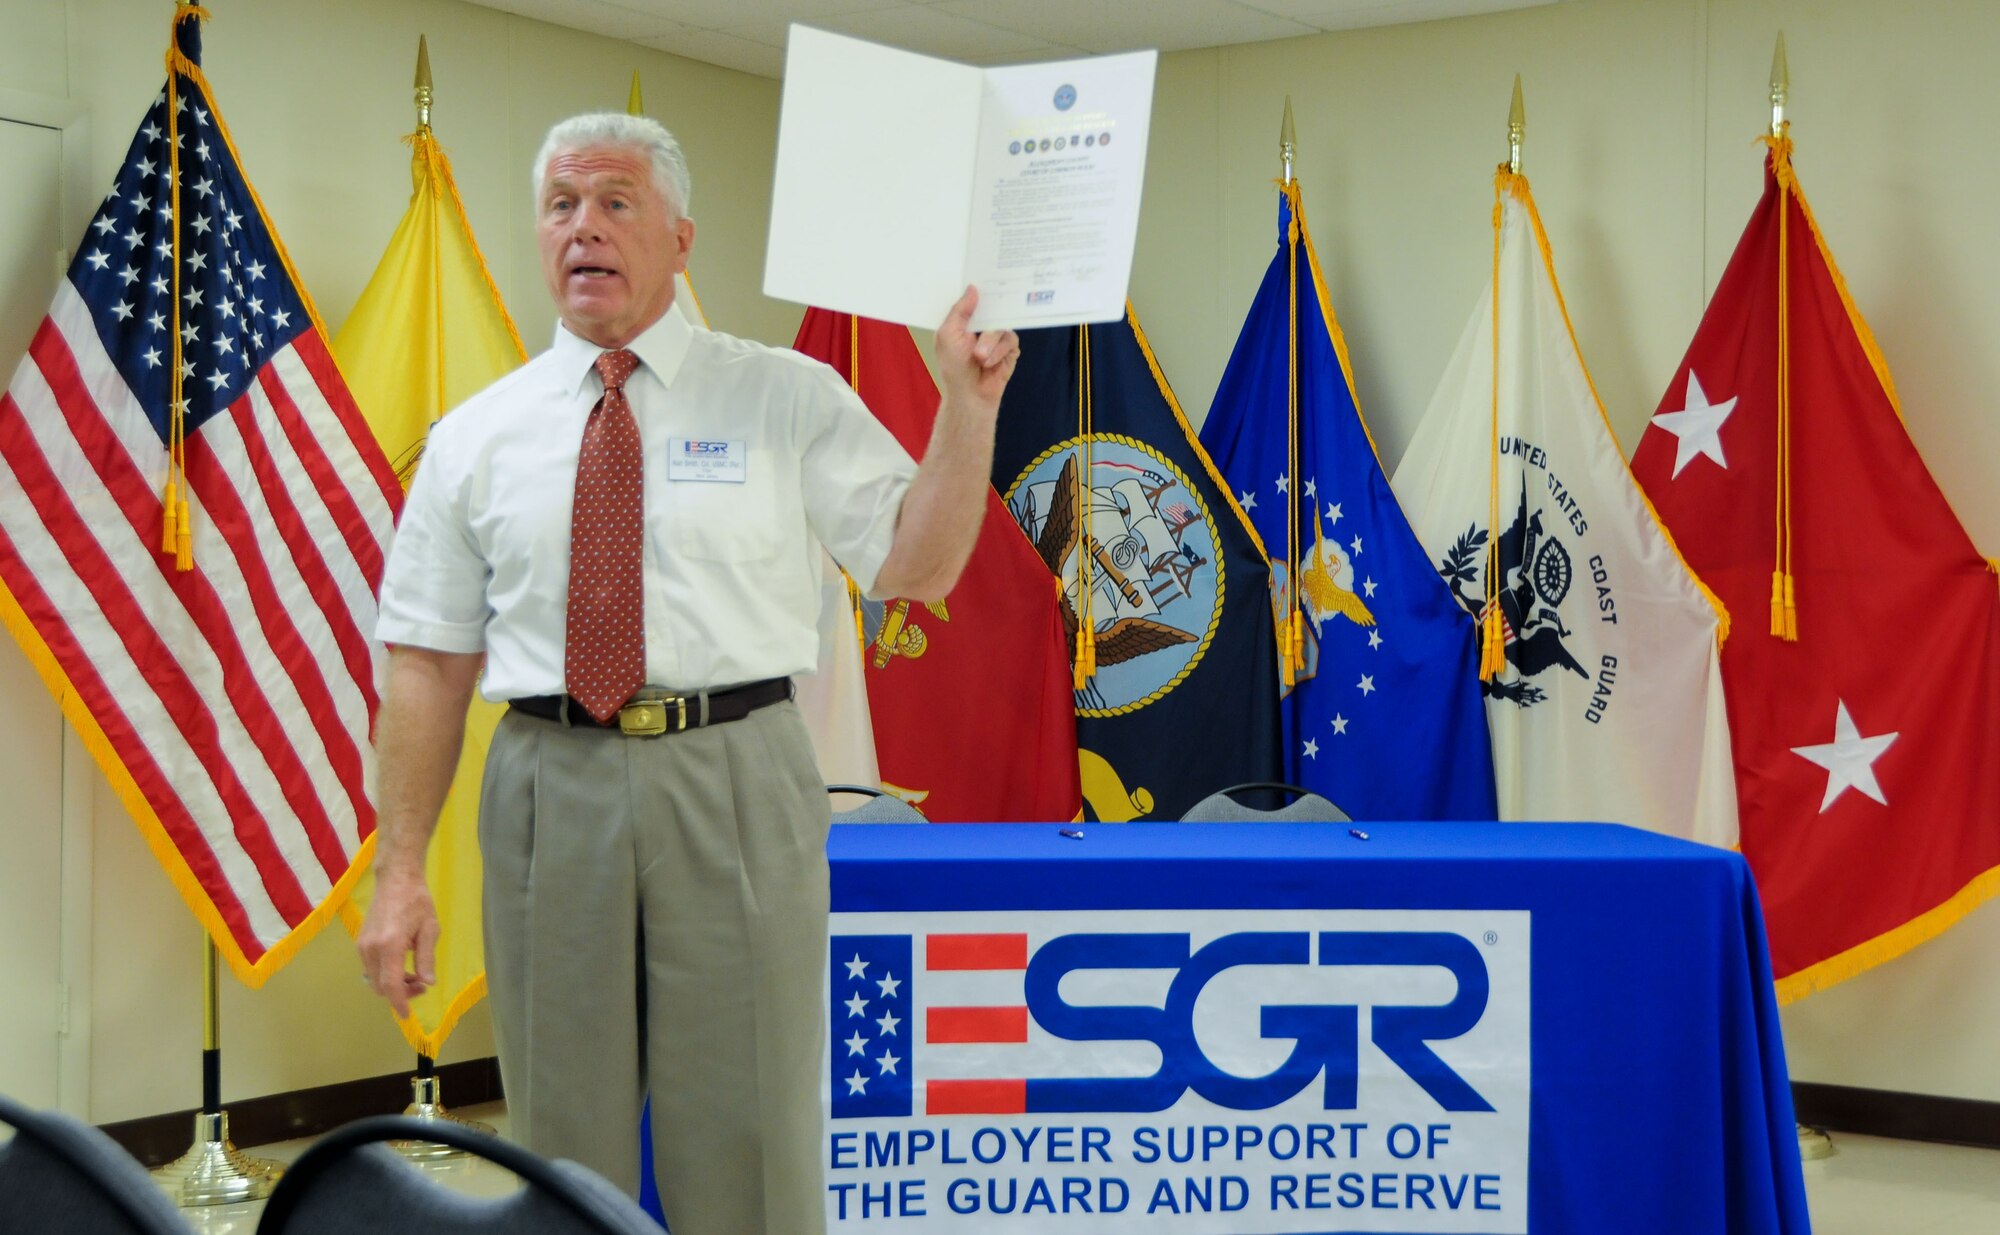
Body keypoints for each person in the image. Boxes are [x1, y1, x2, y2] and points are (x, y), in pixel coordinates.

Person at [355, 111, 1018, 1234]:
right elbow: (425, 658)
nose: (585, 229)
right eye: (562, 205)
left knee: (747, 1133)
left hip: (736, 774)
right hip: (544, 782)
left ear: (680, 237)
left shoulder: (784, 396)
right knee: (560, 1143)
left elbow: (917, 563)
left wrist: (968, 405)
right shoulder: (478, 437)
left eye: (616, 203)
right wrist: (400, 866)